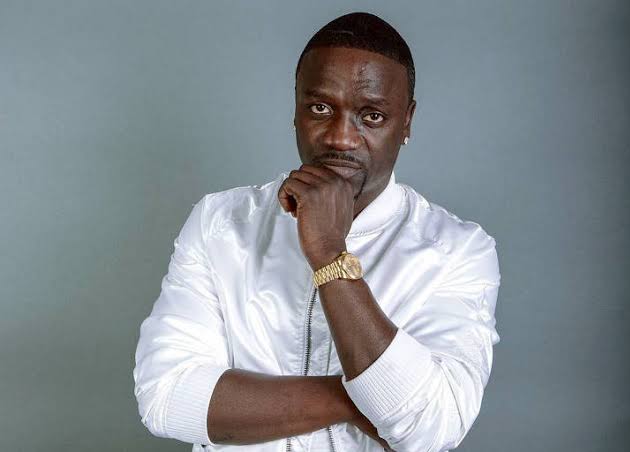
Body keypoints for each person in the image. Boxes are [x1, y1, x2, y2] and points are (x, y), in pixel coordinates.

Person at [133, 11, 501, 452]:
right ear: (295, 109)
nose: (341, 138)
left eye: (372, 116)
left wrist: (328, 252)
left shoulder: (457, 250)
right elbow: (167, 399)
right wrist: (358, 399)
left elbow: (429, 428)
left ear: (406, 122)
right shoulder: (221, 221)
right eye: (321, 108)